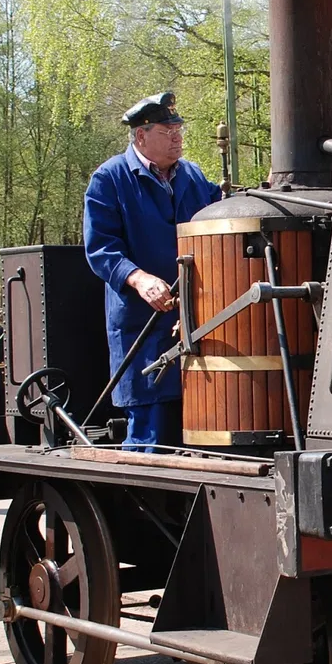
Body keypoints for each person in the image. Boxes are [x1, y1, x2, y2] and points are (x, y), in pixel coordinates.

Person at [84, 91, 221, 450]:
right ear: (141, 136)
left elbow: (220, 223)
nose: (178, 137)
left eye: (179, 128)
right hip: (143, 328)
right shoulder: (109, 179)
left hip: (196, 323)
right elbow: (101, 249)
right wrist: (138, 278)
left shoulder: (193, 176)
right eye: (167, 130)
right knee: (152, 436)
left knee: (204, 431)